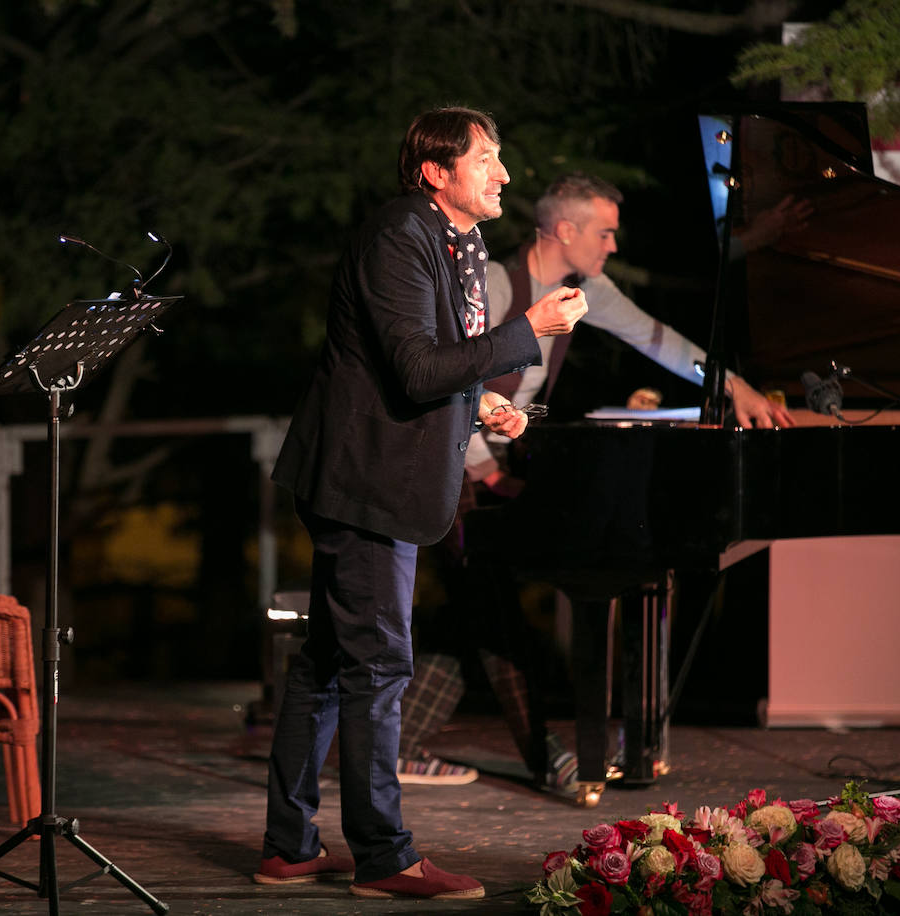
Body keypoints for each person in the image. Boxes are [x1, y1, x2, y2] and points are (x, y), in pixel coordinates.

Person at [255, 108, 588, 900]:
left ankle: (289, 848)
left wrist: (482, 407)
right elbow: (411, 369)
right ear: (436, 172)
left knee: (331, 663)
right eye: (486, 158)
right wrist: (530, 329)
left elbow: (439, 364)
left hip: (384, 475)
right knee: (378, 663)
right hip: (364, 480)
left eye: (501, 157)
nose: (503, 173)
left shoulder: (457, 239)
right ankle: (385, 857)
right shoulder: (397, 236)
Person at [396, 172, 800, 792]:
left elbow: (660, 340)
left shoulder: (587, 289)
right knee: (493, 610)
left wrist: (736, 386)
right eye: (605, 232)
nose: (613, 245)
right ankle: (548, 758)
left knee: (481, 612)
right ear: (566, 230)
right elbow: (450, 379)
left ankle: (397, 746)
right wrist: (483, 464)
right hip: (447, 465)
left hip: (492, 469)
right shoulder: (498, 283)